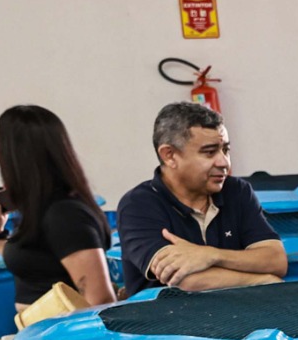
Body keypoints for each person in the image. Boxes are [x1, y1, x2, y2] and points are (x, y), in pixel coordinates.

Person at [115, 101, 287, 296]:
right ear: (169, 155)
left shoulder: (237, 191)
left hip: (240, 319)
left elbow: (276, 260)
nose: (224, 162)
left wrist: (210, 255)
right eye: (209, 152)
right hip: (166, 323)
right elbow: (186, 281)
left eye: (226, 150)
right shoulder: (139, 205)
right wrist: (262, 281)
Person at [0, 105, 115, 308]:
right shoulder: (40, 208)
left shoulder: (65, 215)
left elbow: (100, 300)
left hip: (63, 338)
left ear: (13, 156)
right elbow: (37, 265)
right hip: (39, 336)